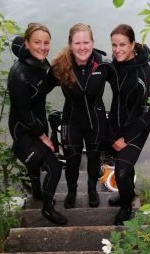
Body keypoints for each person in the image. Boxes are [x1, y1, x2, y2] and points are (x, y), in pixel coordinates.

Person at [50, 23, 116, 209]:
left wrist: (138, 60)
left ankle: (92, 190)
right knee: (72, 162)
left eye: (86, 42)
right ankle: (71, 192)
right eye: (77, 43)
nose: (82, 47)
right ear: (70, 44)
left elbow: (122, 89)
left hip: (96, 121)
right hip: (71, 121)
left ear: (93, 42)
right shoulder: (60, 66)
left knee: (94, 159)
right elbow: (39, 90)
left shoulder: (104, 64)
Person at [7, 23, 67, 226]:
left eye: (46, 43)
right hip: (24, 129)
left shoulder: (39, 63)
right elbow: (24, 112)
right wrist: (43, 137)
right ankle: (47, 209)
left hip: (38, 122)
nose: (43, 47)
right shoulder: (18, 75)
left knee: (35, 164)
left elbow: (39, 91)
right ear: (26, 43)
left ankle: (38, 192)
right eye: (37, 42)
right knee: (55, 168)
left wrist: (57, 78)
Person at [108, 24, 150, 226]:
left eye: (122, 45)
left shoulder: (145, 74)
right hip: (117, 123)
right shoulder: (115, 64)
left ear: (132, 45)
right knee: (125, 166)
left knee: (120, 172)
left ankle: (126, 206)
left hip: (137, 128)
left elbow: (149, 113)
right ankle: (128, 193)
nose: (117, 50)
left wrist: (126, 138)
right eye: (114, 45)